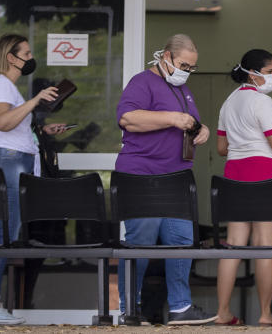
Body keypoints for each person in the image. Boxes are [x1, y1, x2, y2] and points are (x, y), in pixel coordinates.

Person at [114, 34, 215, 326]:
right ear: (166, 56)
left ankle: (181, 307)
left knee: (181, 240)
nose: (187, 71)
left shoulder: (181, 88)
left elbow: (188, 122)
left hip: (176, 176)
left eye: (192, 68)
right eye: (184, 65)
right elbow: (128, 119)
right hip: (142, 174)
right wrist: (172, 119)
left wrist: (201, 129)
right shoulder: (141, 82)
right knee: (140, 242)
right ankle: (129, 308)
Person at [0, 34, 67, 325]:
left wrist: (43, 130)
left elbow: (12, 125)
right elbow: (3, 122)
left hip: (11, 160)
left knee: (5, 234)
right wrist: (36, 100)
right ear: (11, 57)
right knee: (3, 236)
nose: (30, 58)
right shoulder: (1, 84)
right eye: (26, 53)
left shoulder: (7, 87)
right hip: (8, 162)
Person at [214, 49, 272, 327]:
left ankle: (223, 312)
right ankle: (266, 314)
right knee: (264, 247)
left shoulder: (228, 103)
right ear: (252, 72)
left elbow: (222, 148)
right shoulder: (262, 101)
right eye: (270, 72)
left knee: (233, 247)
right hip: (265, 175)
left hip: (234, 174)